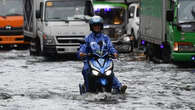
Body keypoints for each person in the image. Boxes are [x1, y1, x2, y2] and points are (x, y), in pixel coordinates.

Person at [78, 16, 127, 94]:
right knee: (85, 70)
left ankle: (119, 86)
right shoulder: (88, 38)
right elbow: (83, 48)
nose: (97, 27)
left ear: (101, 26)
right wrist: (82, 54)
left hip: (105, 60)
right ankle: (87, 89)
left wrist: (114, 53)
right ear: (91, 27)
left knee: (109, 72)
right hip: (91, 60)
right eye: (95, 25)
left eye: (98, 25)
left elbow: (111, 47)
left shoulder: (105, 38)